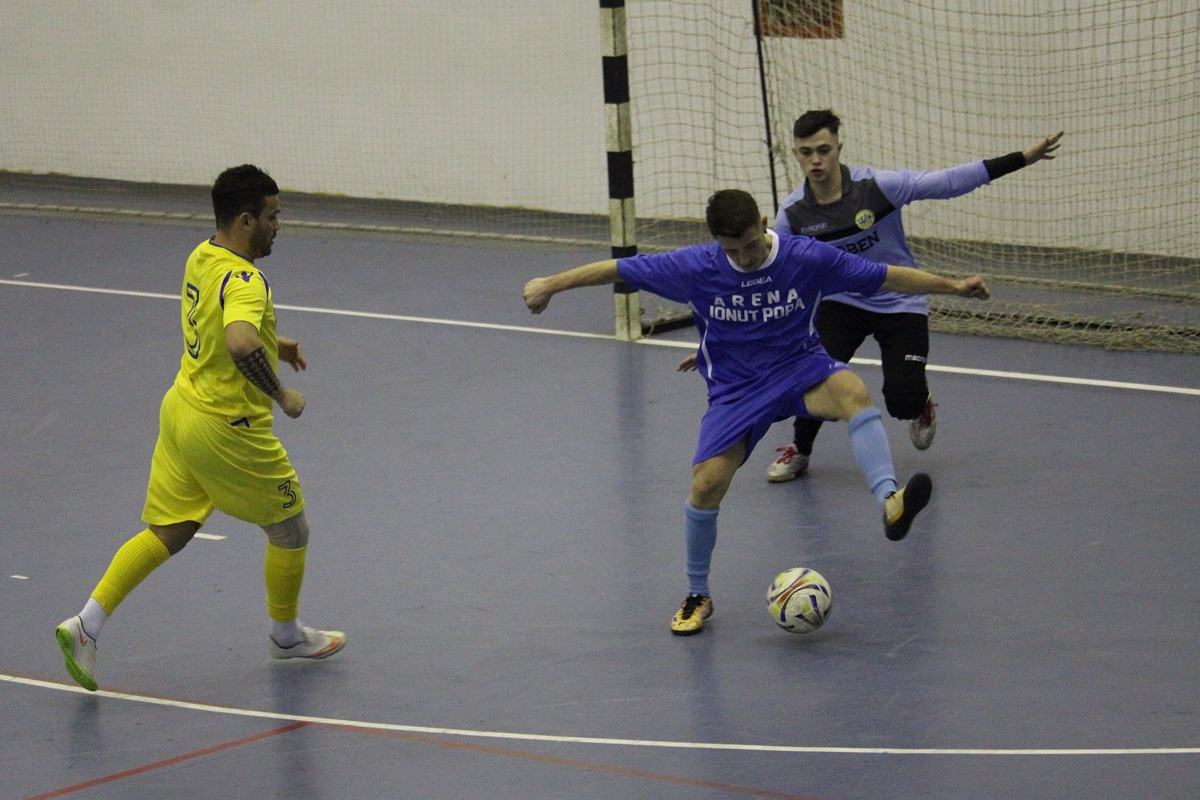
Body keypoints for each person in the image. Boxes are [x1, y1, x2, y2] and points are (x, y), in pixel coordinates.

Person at [524, 189, 990, 635]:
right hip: (737, 391)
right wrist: (550, 284)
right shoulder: (696, 267)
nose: (744, 258)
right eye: (733, 250)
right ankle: (698, 594)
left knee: (851, 389)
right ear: (716, 242)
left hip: (799, 368)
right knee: (706, 485)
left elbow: (886, 276)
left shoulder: (805, 257)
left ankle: (890, 501)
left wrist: (953, 287)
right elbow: (618, 268)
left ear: (764, 224)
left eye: (750, 245)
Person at [55, 164, 346, 691]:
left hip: (181, 410)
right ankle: (285, 635)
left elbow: (219, 324)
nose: (278, 226)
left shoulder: (203, 255)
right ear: (245, 221)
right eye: (272, 217)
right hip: (226, 428)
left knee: (172, 530)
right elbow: (238, 341)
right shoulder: (249, 281)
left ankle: (85, 625)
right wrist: (281, 393)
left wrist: (273, 342)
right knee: (290, 529)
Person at [760, 110, 1062, 482]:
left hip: (899, 297)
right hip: (841, 303)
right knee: (813, 378)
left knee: (903, 401)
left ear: (839, 147)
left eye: (824, 150)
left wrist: (1022, 159)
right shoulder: (793, 214)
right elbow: (775, 271)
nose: (816, 160)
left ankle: (920, 400)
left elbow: (949, 182)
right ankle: (801, 450)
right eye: (807, 152)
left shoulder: (878, 187)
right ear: (795, 154)